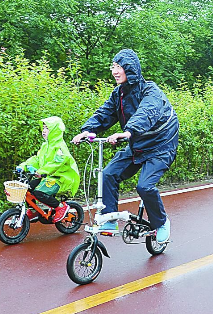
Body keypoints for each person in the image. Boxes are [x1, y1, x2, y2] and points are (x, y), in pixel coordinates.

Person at [71, 49, 179, 242]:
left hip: (161, 145)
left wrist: (128, 131)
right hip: (137, 144)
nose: (114, 71)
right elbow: (105, 113)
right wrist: (88, 130)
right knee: (108, 174)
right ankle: (110, 219)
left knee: (145, 187)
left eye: (119, 67)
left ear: (130, 69)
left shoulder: (151, 91)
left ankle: (161, 223)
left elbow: (147, 112)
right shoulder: (118, 93)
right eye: (113, 66)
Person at [16, 116, 80, 223]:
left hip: (61, 178)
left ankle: (60, 207)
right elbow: (36, 159)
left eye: (47, 128)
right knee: (27, 189)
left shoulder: (60, 146)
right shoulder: (45, 146)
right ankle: (34, 210)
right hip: (46, 176)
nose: (44, 130)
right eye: (43, 128)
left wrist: (42, 172)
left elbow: (57, 162)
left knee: (39, 193)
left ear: (55, 130)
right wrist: (23, 166)